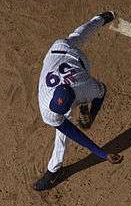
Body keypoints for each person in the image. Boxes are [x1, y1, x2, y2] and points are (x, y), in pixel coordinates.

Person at [33, 11, 123, 191]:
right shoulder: (46, 105)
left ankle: (53, 170)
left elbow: (102, 91)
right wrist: (101, 153)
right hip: (59, 51)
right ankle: (102, 17)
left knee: (78, 36)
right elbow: (71, 130)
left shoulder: (86, 86)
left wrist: (92, 115)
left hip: (79, 64)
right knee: (77, 36)